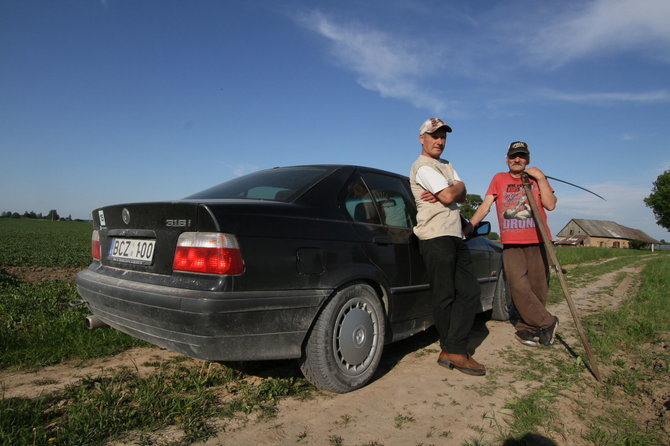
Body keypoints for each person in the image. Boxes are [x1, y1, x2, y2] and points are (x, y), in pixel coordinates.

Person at [409, 118, 486, 376]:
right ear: (422, 138)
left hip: (454, 234)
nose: (439, 141)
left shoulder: (446, 165)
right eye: (434, 136)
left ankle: (452, 347)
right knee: (444, 295)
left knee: (469, 292)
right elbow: (450, 196)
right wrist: (453, 189)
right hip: (435, 236)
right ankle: (453, 349)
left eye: (443, 136)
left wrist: (454, 189)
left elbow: (459, 193)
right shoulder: (421, 166)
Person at [465, 141, 559, 347]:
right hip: (511, 242)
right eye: (514, 156)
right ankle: (548, 321)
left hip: (538, 240)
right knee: (518, 286)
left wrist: (541, 178)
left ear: (528, 159)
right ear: (507, 159)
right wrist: (469, 226)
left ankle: (529, 327)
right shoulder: (499, 179)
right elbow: (486, 205)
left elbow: (550, 205)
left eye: (522, 156)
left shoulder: (536, 179)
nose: (517, 159)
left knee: (538, 287)